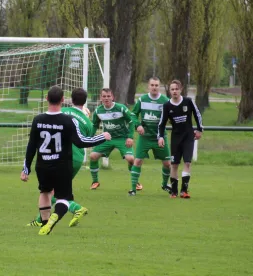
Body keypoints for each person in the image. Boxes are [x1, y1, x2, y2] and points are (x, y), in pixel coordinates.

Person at [21, 86, 111, 236]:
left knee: (45, 193)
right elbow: (81, 141)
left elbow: (31, 147)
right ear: (63, 100)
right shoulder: (68, 121)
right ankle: (53, 220)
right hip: (62, 166)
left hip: (42, 165)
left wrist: (26, 170)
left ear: (46, 99)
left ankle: (44, 224)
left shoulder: (38, 120)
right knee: (63, 198)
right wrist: (103, 136)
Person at [157, 79, 203, 198]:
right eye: (172, 89)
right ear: (169, 91)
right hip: (176, 138)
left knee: (187, 162)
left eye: (176, 89)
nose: (174, 91)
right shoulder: (167, 106)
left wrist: (199, 129)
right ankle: (174, 191)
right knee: (174, 165)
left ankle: (184, 191)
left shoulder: (188, 101)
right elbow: (161, 123)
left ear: (181, 90)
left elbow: (197, 115)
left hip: (188, 137)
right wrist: (160, 137)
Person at [129, 77, 172, 196]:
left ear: (160, 87)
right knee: (137, 161)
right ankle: (133, 189)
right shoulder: (142, 99)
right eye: (152, 85)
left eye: (156, 85)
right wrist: (137, 125)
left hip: (160, 137)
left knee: (167, 164)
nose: (154, 87)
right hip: (145, 138)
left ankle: (164, 184)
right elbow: (133, 115)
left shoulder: (165, 101)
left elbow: (171, 116)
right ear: (148, 86)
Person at [89, 88, 138, 190]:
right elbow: (94, 125)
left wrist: (130, 137)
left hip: (122, 138)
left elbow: (131, 121)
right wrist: (90, 138)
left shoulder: (120, 108)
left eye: (108, 96)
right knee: (93, 156)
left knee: (131, 159)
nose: (106, 98)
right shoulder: (98, 111)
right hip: (107, 139)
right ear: (100, 98)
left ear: (112, 97)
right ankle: (95, 181)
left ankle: (136, 182)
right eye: (104, 96)